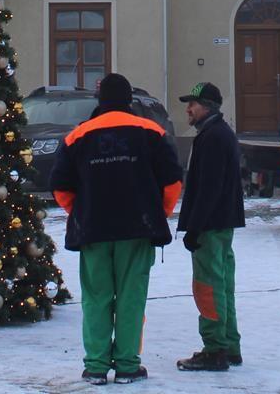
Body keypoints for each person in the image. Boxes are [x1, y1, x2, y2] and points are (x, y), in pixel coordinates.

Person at [51, 73, 183, 386]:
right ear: (129, 100)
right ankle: (127, 365)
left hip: (93, 231)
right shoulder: (151, 132)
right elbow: (172, 181)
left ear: (99, 102)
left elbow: (59, 186)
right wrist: (157, 214)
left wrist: (80, 212)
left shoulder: (77, 137)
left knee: (96, 297)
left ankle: (96, 366)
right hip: (137, 228)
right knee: (131, 296)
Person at [174, 82, 245, 373]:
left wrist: (195, 227)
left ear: (208, 107)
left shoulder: (212, 137)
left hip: (210, 226)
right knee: (223, 285)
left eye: (193, 103)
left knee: (208, 286)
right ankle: (229, 346)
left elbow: (209, 187)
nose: (188, 109)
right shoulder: (217, 133)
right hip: (221, 223)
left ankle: (215, 349)